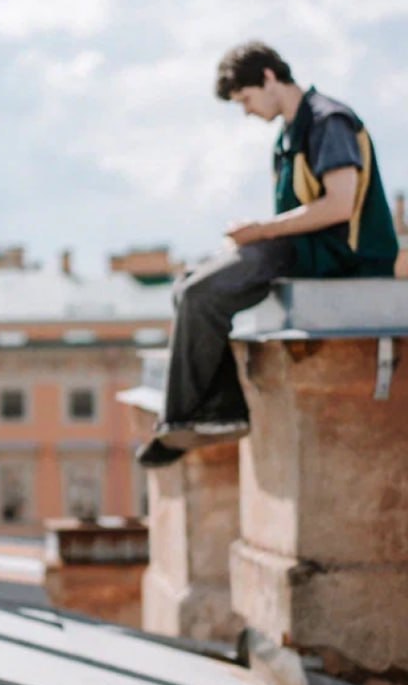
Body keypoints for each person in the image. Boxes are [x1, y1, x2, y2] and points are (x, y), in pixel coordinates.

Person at [138, 41, 399, 467]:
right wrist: (253, 239)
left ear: (269, 77)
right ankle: (217, 412)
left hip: (339, 257)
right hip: (303, 251)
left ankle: (184, 421)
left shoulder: (329, 120)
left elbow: (339, 205)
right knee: (187, 285)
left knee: (200, 293)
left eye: (246, 99)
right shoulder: (289, 133)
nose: (246, 111)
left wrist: (260, 232)